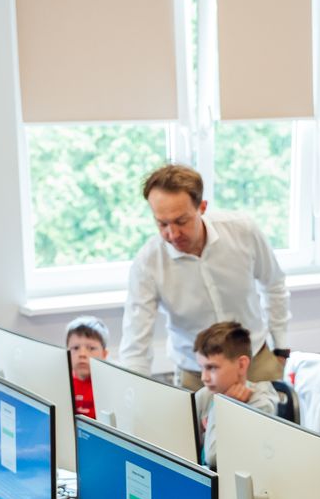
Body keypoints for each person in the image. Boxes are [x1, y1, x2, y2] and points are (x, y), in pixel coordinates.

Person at [119, 164, 290, 390]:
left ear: (202, 207)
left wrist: (281, 348)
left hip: (254, 362)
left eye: (181, 221)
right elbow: (135, 342)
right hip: (197, 373)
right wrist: (132, 395)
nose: (172, 234)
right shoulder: (148, 263)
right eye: (162, 223)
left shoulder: (243, 231)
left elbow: (273, 284)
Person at [194, 320, 286, 468]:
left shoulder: (261, 404)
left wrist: (222, 407)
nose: (204, 377)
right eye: (202, 368)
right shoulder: (206, 395)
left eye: (212, 368)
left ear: (242, 365)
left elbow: (214, 458)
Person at [67, 315, 110, 419]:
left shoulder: (108, 386)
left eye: (91, 348)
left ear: (104, 354)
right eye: (76, 348)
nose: (82, 354)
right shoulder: (64, 383)